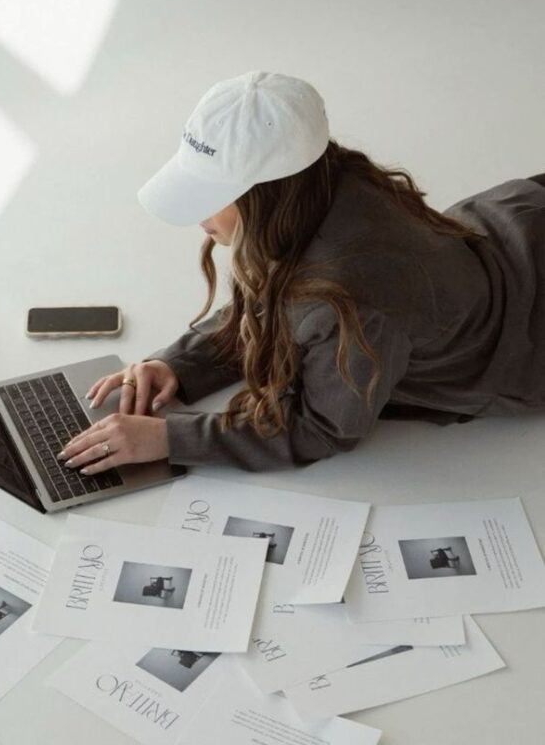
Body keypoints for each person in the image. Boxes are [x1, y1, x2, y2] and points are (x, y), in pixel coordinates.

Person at [56, 71, 545, 475]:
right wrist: (178, 366)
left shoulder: (349, 301)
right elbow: (282, 306)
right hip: (517, 223)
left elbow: (324, 426)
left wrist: (170, 438)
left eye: (212, 195)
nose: (199, 218)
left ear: (267, 196)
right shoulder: (325, 179)